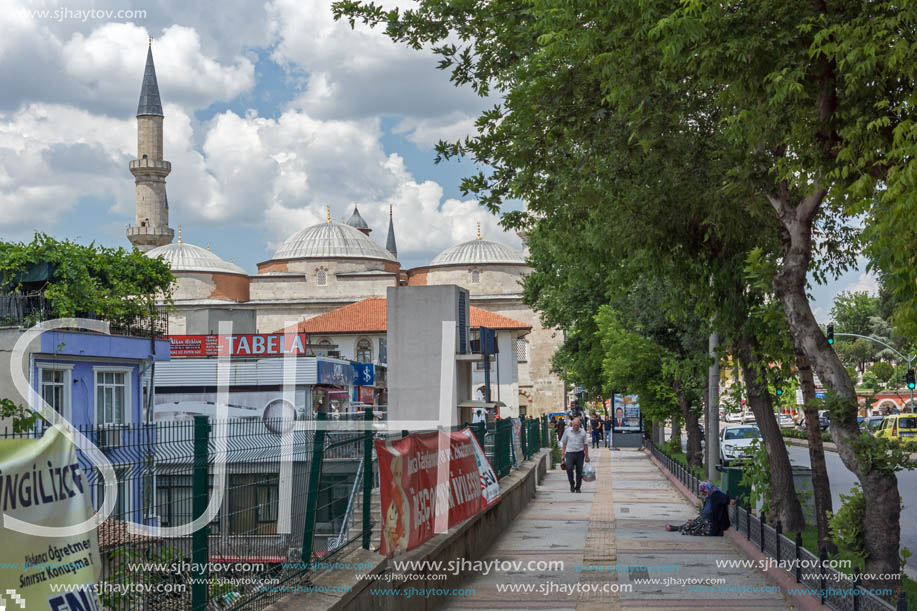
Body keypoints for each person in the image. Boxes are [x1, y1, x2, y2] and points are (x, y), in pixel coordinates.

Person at [665, 481, 731, 536]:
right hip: (704, 520)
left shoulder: (716, 495)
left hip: (710, 524)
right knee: (691, 524)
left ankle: (676, 528)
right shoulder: (708, 497)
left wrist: (731, 500)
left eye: (704, 491)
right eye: (702, 492)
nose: (703, 493)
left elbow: (726, 498)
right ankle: (676, 528)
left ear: (708, 488)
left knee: (695, 529)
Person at [560, 417, 590, 493]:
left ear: (579, 425)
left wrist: (587, 456)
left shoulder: (583, 432)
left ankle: (578, 487)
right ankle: (572, 484)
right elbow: (564, 443)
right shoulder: (567, 431)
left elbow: (585, 445)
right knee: (569, 468)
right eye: (574, 425)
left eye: (577, 425)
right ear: (572, 424)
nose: (575, 426)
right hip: (570, 453)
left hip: (580, 453)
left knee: (579, 471)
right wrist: (563, 455)